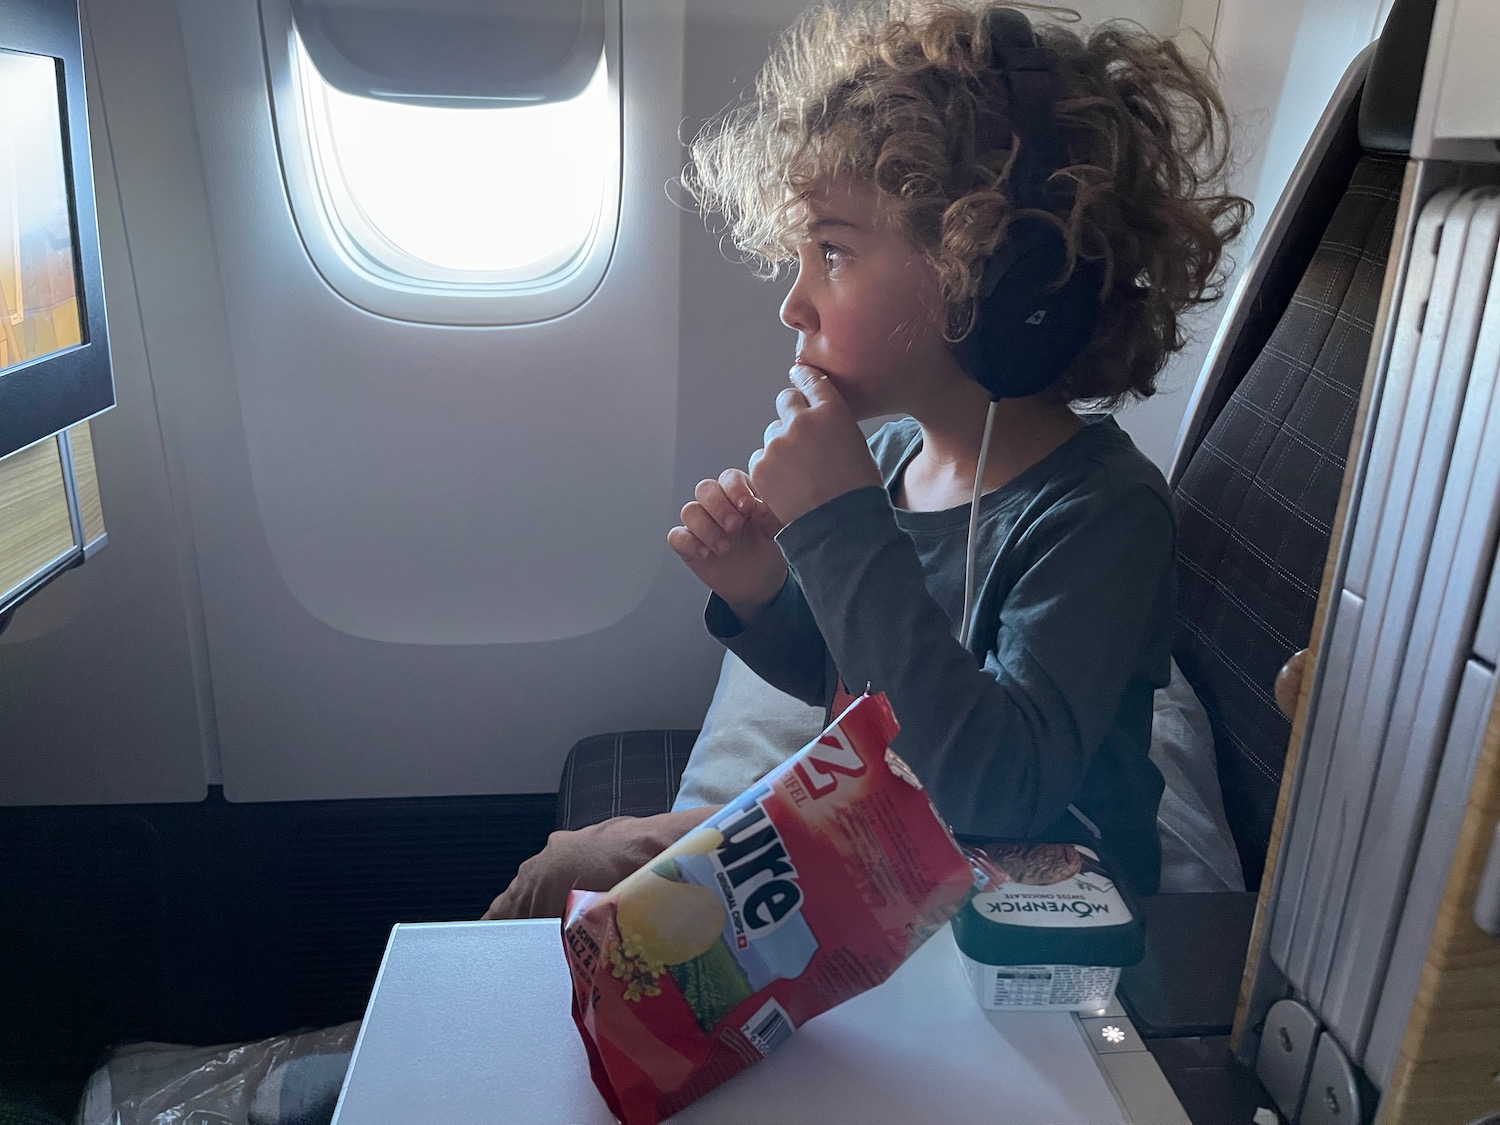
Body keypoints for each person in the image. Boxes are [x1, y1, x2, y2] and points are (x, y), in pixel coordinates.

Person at [484, 0, 1249, 920]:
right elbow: (865, 687)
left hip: (1023, 914)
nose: (794, 303)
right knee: (576, 862)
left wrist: (841, 526)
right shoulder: (891, 454)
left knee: (581, 870)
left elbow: (995, 789)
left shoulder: (1100, 512)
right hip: (889, 843)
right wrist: (767, 591)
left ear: (1000, 280)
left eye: (834, 252)